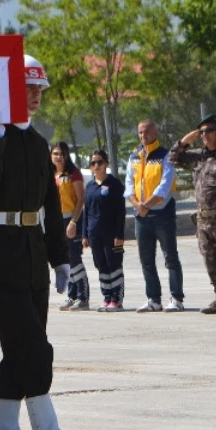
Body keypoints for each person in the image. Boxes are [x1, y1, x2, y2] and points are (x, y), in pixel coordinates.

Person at [0, 55, 80, 430]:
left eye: (38, 88)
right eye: (26, 87)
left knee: (18, 347)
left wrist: (59, 257)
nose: (34, 95)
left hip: (31, 251)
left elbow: (49, 205)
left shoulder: (36, 141)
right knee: (33, 344)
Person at [169, 115, 216, 314]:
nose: (204, 135)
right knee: (210, 260)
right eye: (202, 132)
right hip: (203, 220)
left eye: (208, 131)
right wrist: (188, 139)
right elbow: (173, 158)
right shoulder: (197, 156)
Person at [126, 120, 184, 312]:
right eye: (140, 132)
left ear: (155, 132)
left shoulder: (165, 156)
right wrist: (136, 205)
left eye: (147, 132)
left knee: (170, 258)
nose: (143, 135)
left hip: (162, 215)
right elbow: (128, 184)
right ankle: (153, 299)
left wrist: (147, 205)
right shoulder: (134, 157)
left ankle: (176, 298)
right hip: (141, 217)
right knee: (146, 260)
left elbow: (164, 187)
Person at [80, 149, 126, 312]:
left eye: (100, 162)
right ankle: (107, 297)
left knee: (114, 264)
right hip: (94, 233)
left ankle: (116, 299)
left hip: (111, 234)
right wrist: (85, 234)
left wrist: (120, 234)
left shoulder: (114, 185)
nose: (97, 166)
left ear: (106, 163)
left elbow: (121, 212)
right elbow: (86, 211)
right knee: (101, 265)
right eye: (93, 163)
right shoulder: (91, 186)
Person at [52, 141, 91, 311]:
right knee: (65, 261)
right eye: (55, 154)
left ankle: (83, 297)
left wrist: (74, 222)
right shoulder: (52, 174)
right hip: (56, 220)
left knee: (74, 259)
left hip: (72, 219)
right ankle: (72, 295)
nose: (59, 157)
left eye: (62, 153)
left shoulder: (73, 173)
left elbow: (81, 199)